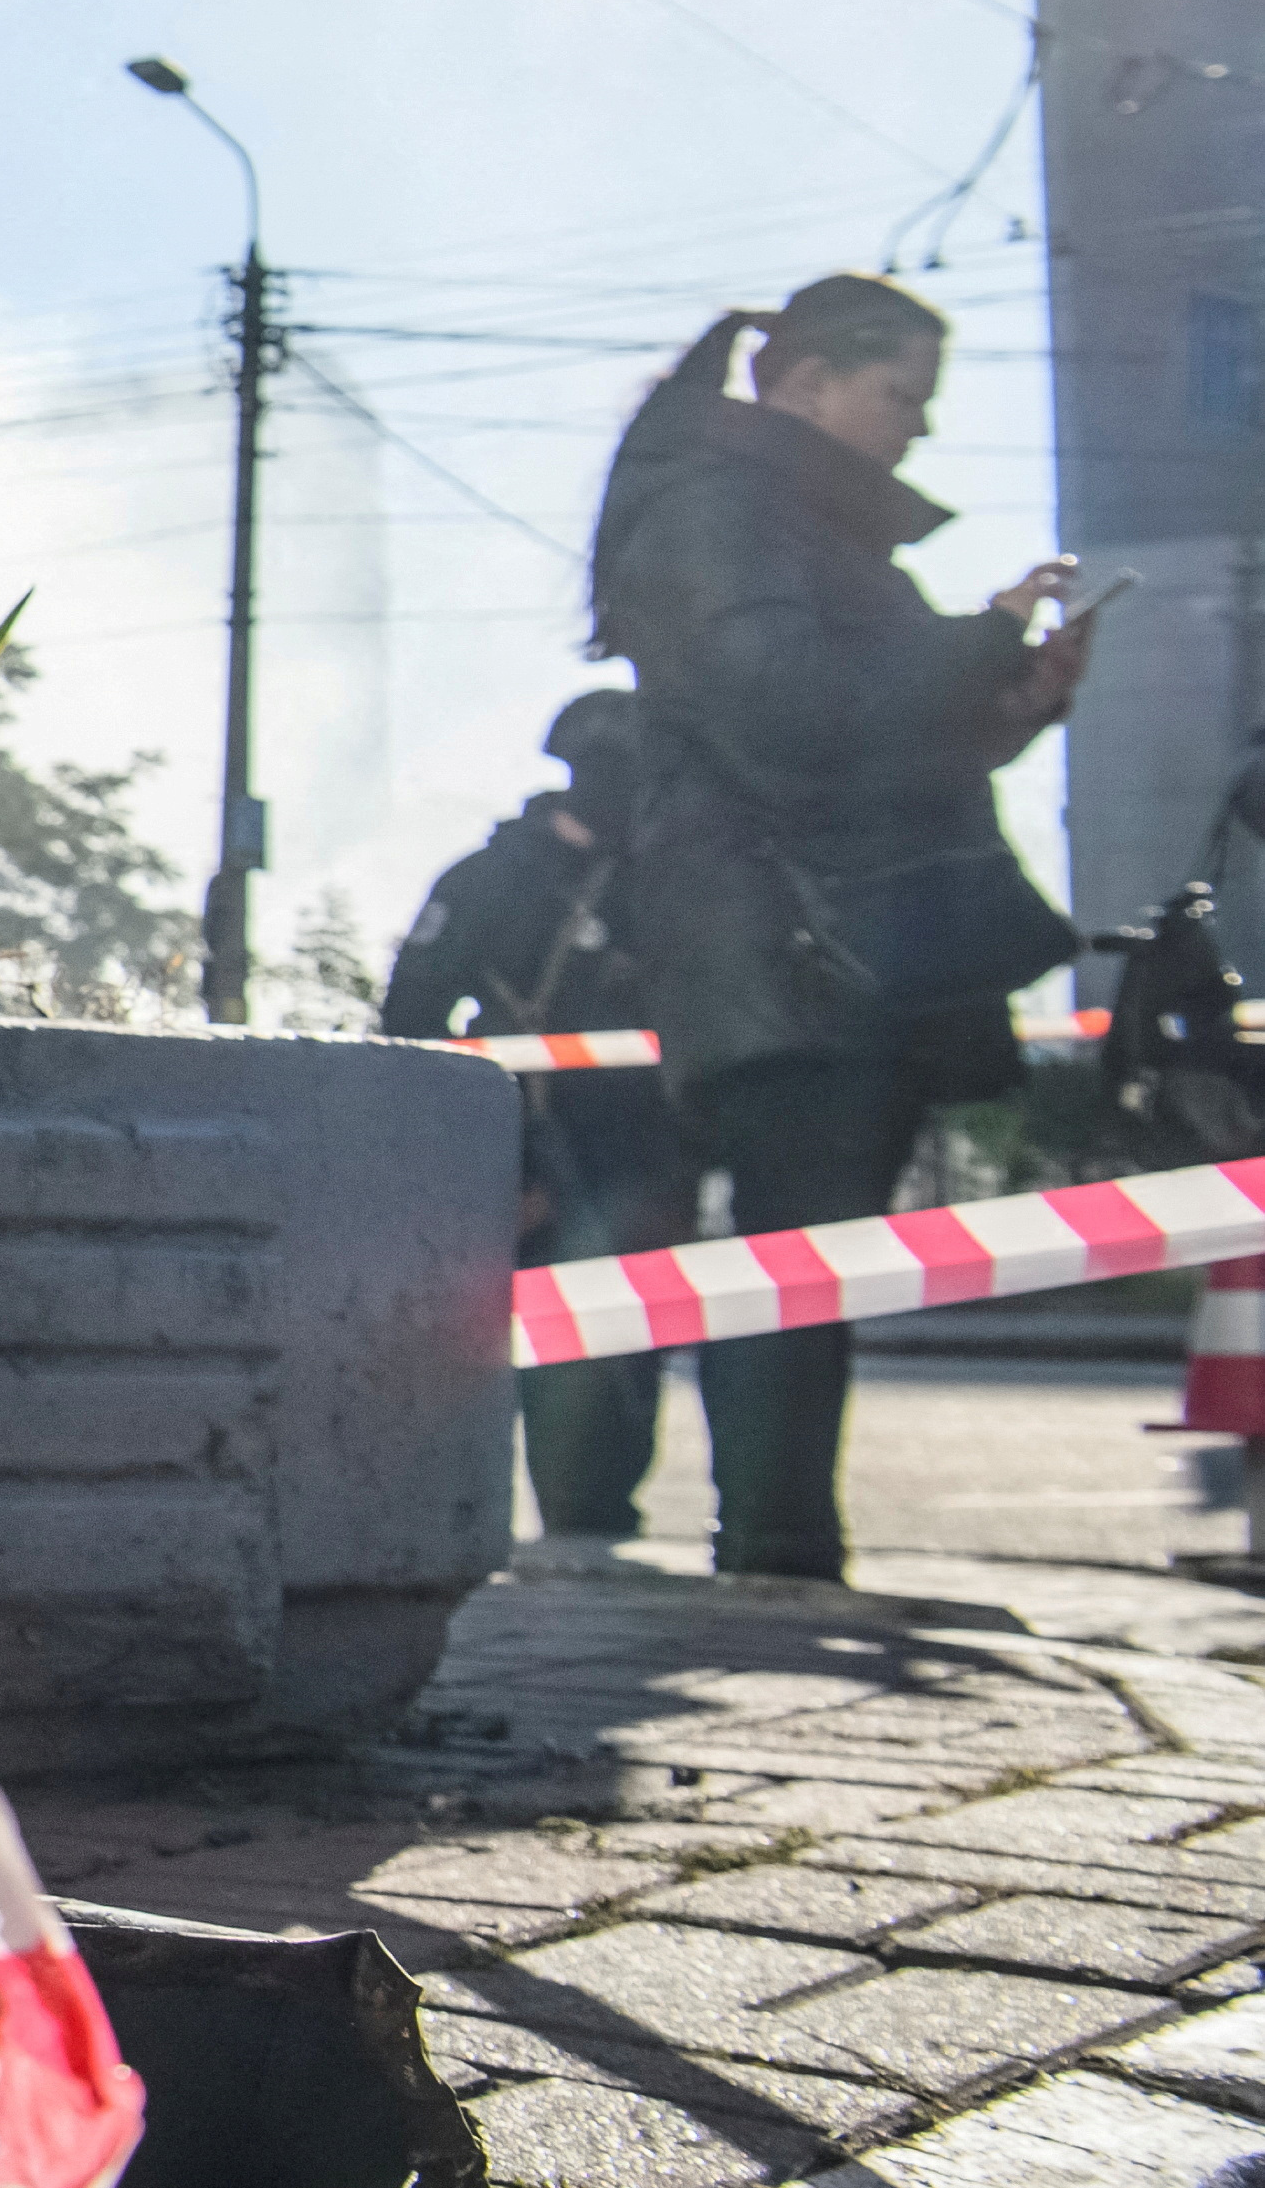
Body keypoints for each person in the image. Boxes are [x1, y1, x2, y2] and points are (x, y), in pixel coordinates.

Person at [590, 275, 1093, 1577]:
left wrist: (1012, 701)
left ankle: (782, 1544)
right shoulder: (719, 510)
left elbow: (856, 742)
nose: (913, 430)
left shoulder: (799, 526)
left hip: (821, 950)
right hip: (784, 951)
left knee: (811, 1259)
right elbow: (785, 708)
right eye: (897, 397)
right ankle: (774, 1551)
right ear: (802, 382)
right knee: (794, 1254)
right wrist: (974, 640)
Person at [383, 693, 694, 1550]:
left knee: (628, 1349)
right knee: (528, 1349)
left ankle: (595, 1523)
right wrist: (489, 1165)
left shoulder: (669, 876)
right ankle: (555, 1527)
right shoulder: (491, 878)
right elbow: (410, 1018)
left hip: (646, 1150)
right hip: (526, 1146)